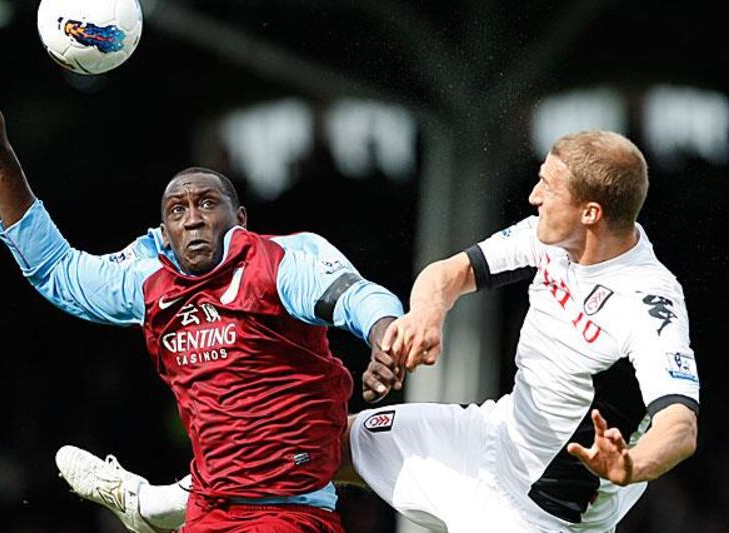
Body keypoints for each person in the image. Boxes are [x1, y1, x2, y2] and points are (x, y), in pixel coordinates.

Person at [54, 129, 701, 532]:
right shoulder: (553, 235)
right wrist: (421, 316)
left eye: (548, 187)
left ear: (591, 211)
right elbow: (449, 272)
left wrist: (633, 462)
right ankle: (152, 506)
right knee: (313, 444)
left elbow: (680, 422)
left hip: (542, 512)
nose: (533, 196)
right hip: (492, 434)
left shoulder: (646, 298)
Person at [0, 79, 404, 533]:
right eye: (177, 210)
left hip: (289, 512)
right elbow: (56, 270)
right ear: (164, 230)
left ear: (240, 219)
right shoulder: (150, 284)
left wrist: (385, 335)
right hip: (209, 512)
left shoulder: (277, 264)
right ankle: (145, 505)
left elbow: (357, 296)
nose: (192, 219)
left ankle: (143, 504)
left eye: (207, 203)